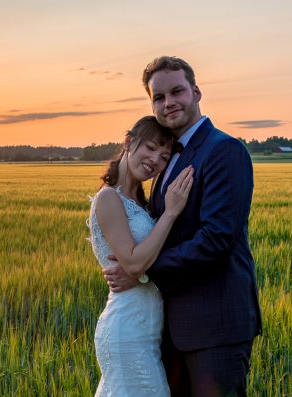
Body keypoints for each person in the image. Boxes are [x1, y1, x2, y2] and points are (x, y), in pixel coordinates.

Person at [103, 56, 262, 397]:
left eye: (177, 91)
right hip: (169, 328)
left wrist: (141, 272)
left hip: (215, 326)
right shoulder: (166, 161)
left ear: (196, 92)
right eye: (158, 97)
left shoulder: (224, 150)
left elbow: (216, 239)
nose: (168, 102)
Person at [88, 115, 194, 396]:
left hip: (147, 332)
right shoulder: (109, 198)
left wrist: (143, 274)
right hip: (127, 331)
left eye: (163, 157)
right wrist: (171, 213)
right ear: (128, 142)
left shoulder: (143, 203)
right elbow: (134, 262)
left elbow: (143, 265)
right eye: (150, 148)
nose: (154, 161)